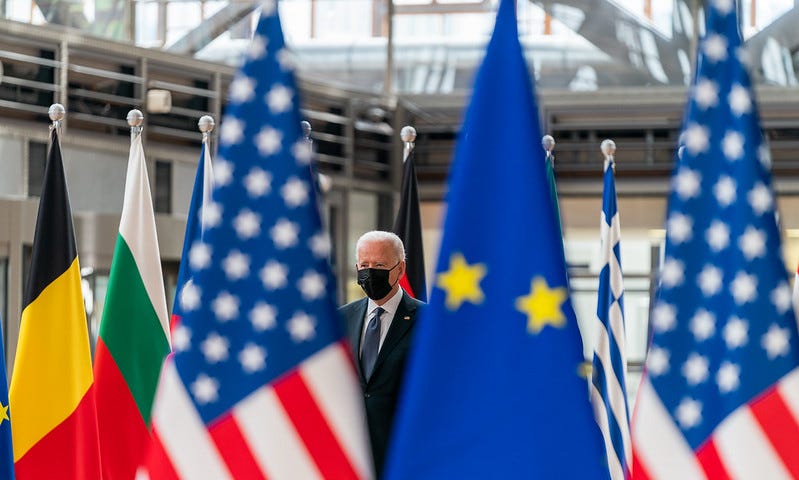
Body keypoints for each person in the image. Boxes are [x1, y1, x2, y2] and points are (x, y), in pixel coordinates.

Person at [339, 230, 424, 478]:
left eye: (379, 265)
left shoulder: (428, 323)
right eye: (364, 265)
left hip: (402, 458)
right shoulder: (340, 320)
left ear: (400, 269)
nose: (370, 272)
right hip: (350, 456)